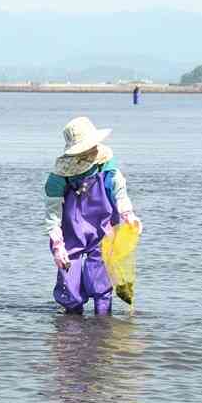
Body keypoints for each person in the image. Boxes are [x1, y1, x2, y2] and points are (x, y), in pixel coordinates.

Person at [44, 117, 142, 315]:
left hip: (103, 231)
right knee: (69, 285)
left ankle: (103, 323)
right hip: (72, 234)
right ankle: (71, 325)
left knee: (101, 282)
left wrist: (128, 214)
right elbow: (52, 210)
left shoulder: (106, 166)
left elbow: (119, 190)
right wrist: (57, 243)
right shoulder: (58, 177)